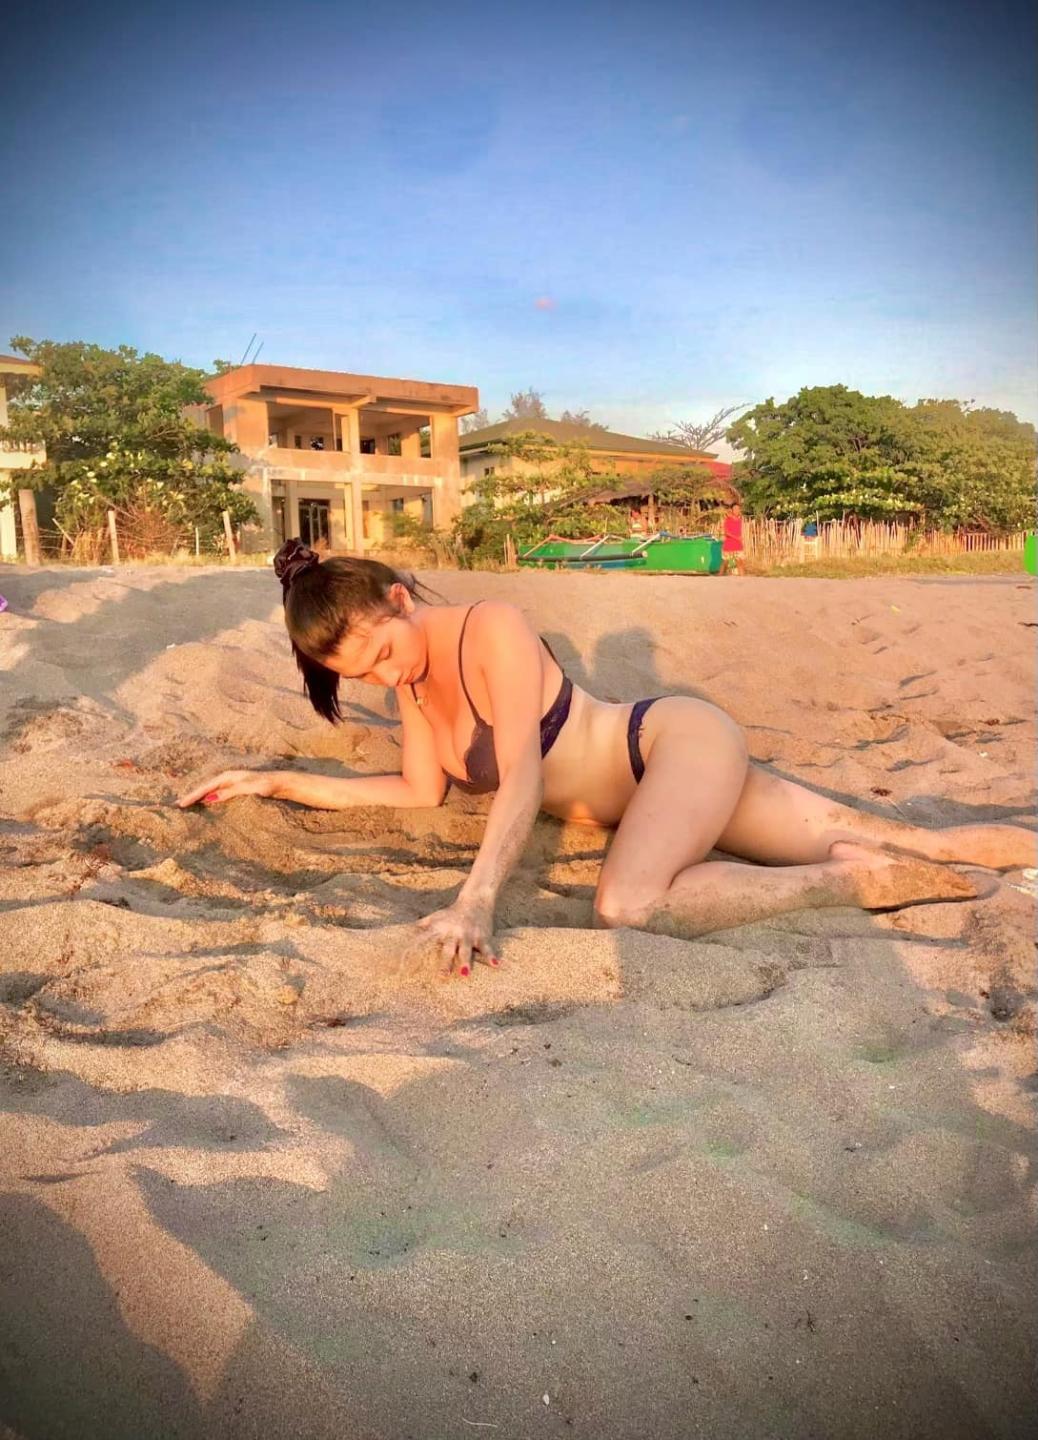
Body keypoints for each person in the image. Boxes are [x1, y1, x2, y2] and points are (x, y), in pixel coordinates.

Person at [178, 540, 1033, 977]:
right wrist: (276, 781)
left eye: (381, 653)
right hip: (660, 799)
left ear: (399, 600)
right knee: (926, 842)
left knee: (627, 905)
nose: (383, 676)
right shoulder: (413, 680)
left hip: (670, 744)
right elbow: (415, 791)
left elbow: (523, 774)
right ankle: (869, 868)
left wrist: (475, 902)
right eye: (358, 674)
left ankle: (854, 880)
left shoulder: (491, 628)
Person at [722, 502, 745, 575]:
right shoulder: (728, 520)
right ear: (732, 510)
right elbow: (726, 533)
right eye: (735, 509)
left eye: (738, 509)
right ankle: (718, 578)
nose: (737, 510)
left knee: (740, 562)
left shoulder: (740, 520)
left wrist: (739, 539)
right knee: (725, 563)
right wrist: (736, 538)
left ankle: (743, 578)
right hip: (729, 544)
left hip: (738, 545)